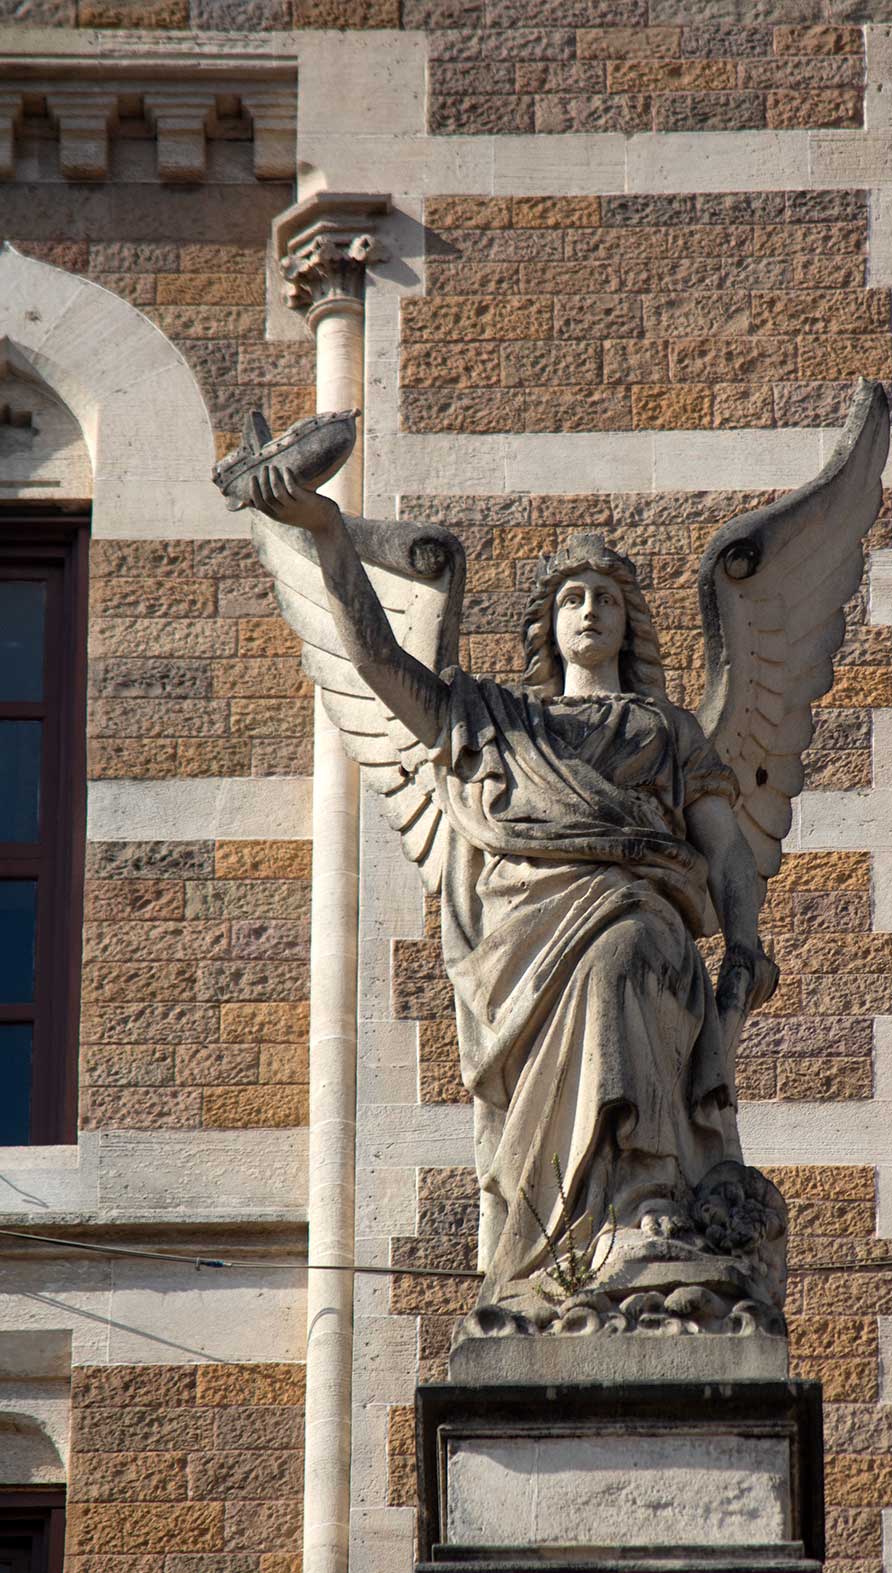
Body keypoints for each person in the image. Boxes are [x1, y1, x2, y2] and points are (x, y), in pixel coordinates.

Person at [248, 465, 778, 1306]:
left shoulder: (666, 729)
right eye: (572, 599)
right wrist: (326, 534)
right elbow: (379, 662)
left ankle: (644, 1199)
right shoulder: (495, 721)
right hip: (526, 943)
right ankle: (562, 1241)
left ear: (630, 623)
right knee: (606, 972)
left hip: (642, 915)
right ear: (549, 624)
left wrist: (745, 942)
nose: (590, 611)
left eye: (606, 599)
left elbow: (725, 847)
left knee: (624, 951)